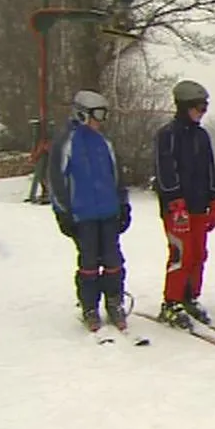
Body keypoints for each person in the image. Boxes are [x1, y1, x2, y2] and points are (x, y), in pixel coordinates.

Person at [48, 90, 132, 331]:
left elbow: (116, 177)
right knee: (89, 262)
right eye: (97, 115)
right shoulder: (67, 141)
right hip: (82, 214)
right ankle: (90, 306)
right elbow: (56, 179)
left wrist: (123, 204)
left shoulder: (104, 143)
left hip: (108, 212)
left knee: (113, 259)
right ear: (82, 113)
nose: (100, 121)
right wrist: (63, 211)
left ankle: (114, 301)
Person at [153, 79, 215, 329]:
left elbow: (209, 170)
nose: (202, 113)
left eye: (205, 108)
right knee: (181, 253)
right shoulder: (168, 135)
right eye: (198, 107)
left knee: (199, 254)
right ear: (184, 106)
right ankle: (171, 302)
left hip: (199, 205)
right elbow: (165, 170)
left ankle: (190, 296)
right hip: (177, 208)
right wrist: (174, 198)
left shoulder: (202, 136)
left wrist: (214, 199)